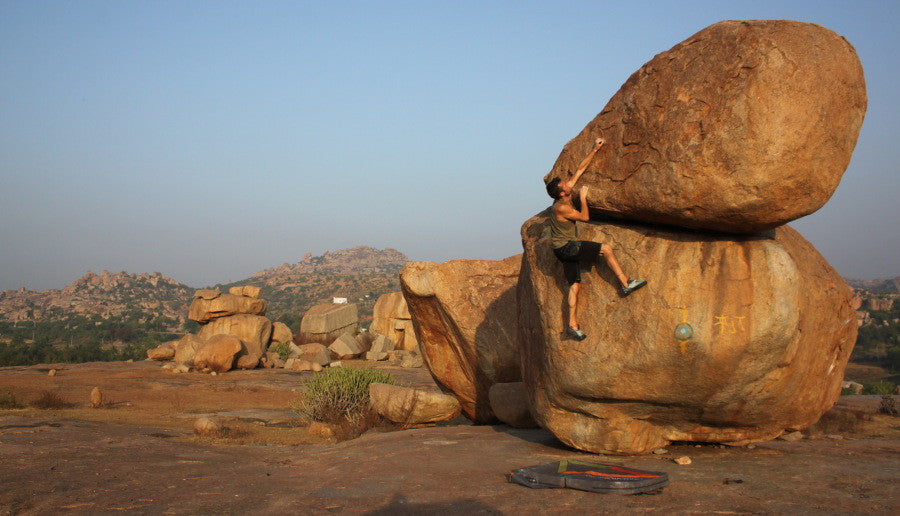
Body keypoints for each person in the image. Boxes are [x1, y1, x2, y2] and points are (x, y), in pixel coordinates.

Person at [545, 136, 646, 341]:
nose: (569, 184)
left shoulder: (564, 194)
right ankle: (625, 283)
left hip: (560, 249)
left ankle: (572, 325)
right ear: (562, 193)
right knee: (606, 249)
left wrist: (594, 149)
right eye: (565, 184)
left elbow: (579, 170)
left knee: (575, 285)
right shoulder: (561, 207)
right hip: (567, 248)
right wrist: (583, 198)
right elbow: (585, 217)